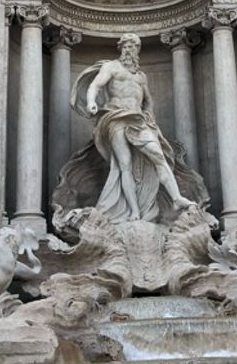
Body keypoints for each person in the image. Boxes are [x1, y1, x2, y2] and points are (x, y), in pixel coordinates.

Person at [72, 33, 195, 222]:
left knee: (159, 156)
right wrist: (91, 102)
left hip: (138, 120)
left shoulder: (141, 76)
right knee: (125, 165)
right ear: (121, 48)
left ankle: (176, 198)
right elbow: (95, 86)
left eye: (133, 46)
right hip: (116, 117)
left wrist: (151, 119)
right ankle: (134, 211)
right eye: (126, 46)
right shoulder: (111, 67)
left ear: (138, 50)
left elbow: (148, 101)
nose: (129, 50)